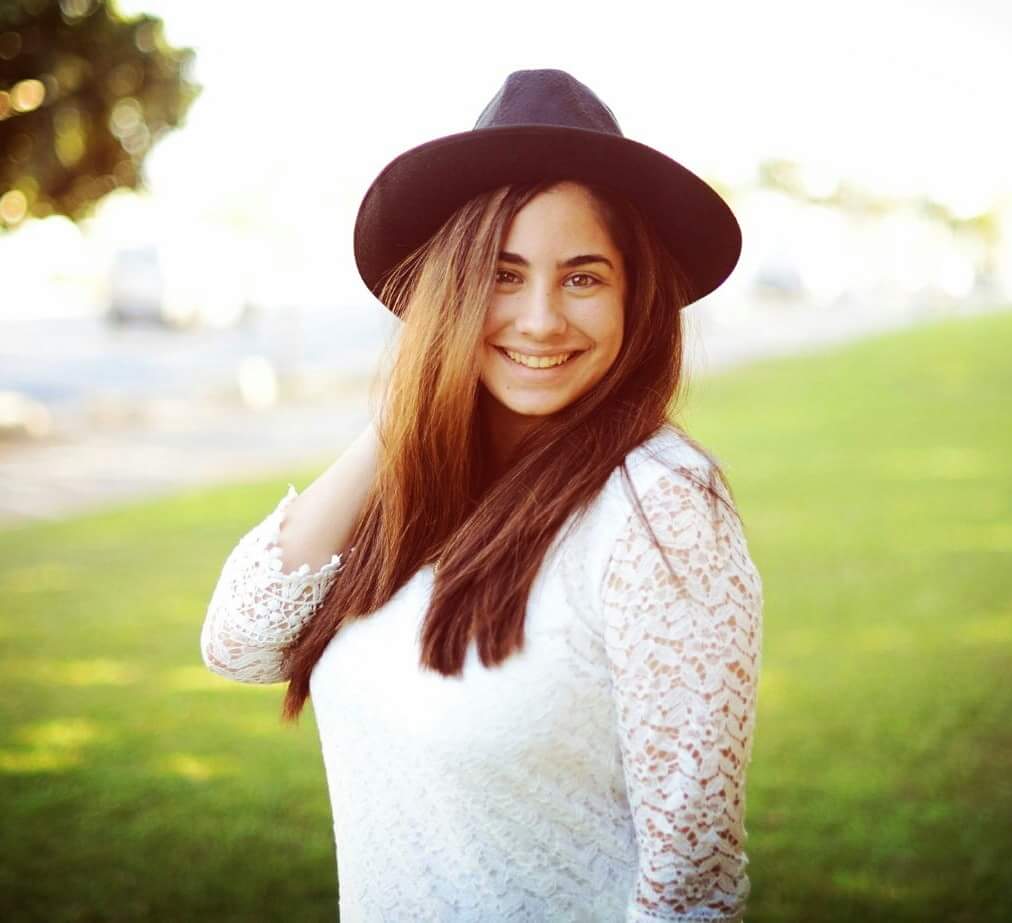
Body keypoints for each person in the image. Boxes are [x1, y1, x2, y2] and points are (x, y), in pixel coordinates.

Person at [200, 68, 764, 922]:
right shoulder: (417, 479)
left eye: (582, 278)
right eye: (502, 275)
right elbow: (240, 644)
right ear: (450, 290)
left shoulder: (661, 509)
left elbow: (692, 880)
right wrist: (409, 414)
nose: (539, 319)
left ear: (634, 296)